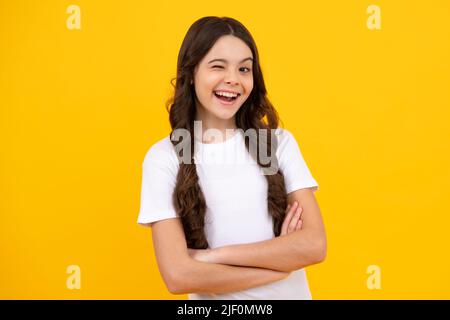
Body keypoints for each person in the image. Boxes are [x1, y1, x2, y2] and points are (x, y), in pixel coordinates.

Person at [137, 16, 327, 300]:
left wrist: (213, 257)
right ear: (191, 73)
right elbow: (178, 275)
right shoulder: (164, 158)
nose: (233, 80)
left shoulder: (277, 144)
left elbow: (313, 245)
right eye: (218, 66)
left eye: (244, 69)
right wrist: (278, 266)